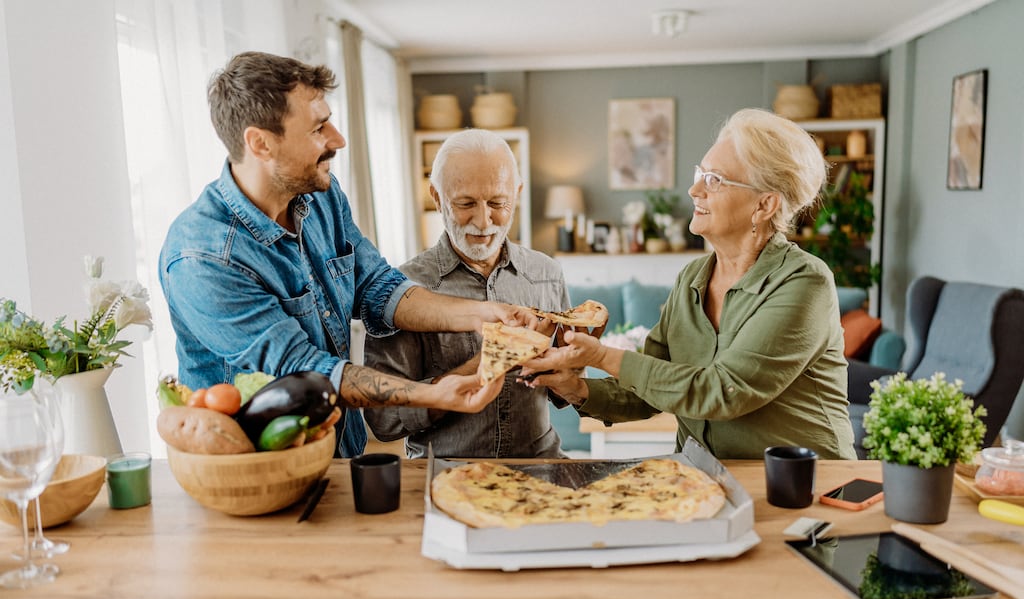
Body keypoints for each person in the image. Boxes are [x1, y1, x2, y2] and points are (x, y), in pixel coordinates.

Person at [159, 51, 534, 458]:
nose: (338, 139)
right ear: (261, 143)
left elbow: (377, 287)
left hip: (338, 451)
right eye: (319, 128)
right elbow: (304, 372)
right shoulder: (202, 258)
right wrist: (429, 394)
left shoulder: (319, 196)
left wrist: (478, 316)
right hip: (255, 468)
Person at [521, 108, 856, 460]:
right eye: (701, 174)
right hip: (705, 478)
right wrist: (575, 387)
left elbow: (725, 391)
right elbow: (646, 388)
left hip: (802, 484)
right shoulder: (691, 278)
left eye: (715, 180)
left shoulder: (804, 282)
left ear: (764, 204)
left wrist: (602, 356)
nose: (694, 189)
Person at [363, 129, 570, 458]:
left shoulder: (546, 274)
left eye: (498, 203)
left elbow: (564, 395)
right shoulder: (401, 290)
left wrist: (570, 361)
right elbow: (383, 421)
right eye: (466, 203)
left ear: (516, 193)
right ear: (437, 197)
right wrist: (483, 364)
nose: (484, 220)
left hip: (541, 465)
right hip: (447, 474)